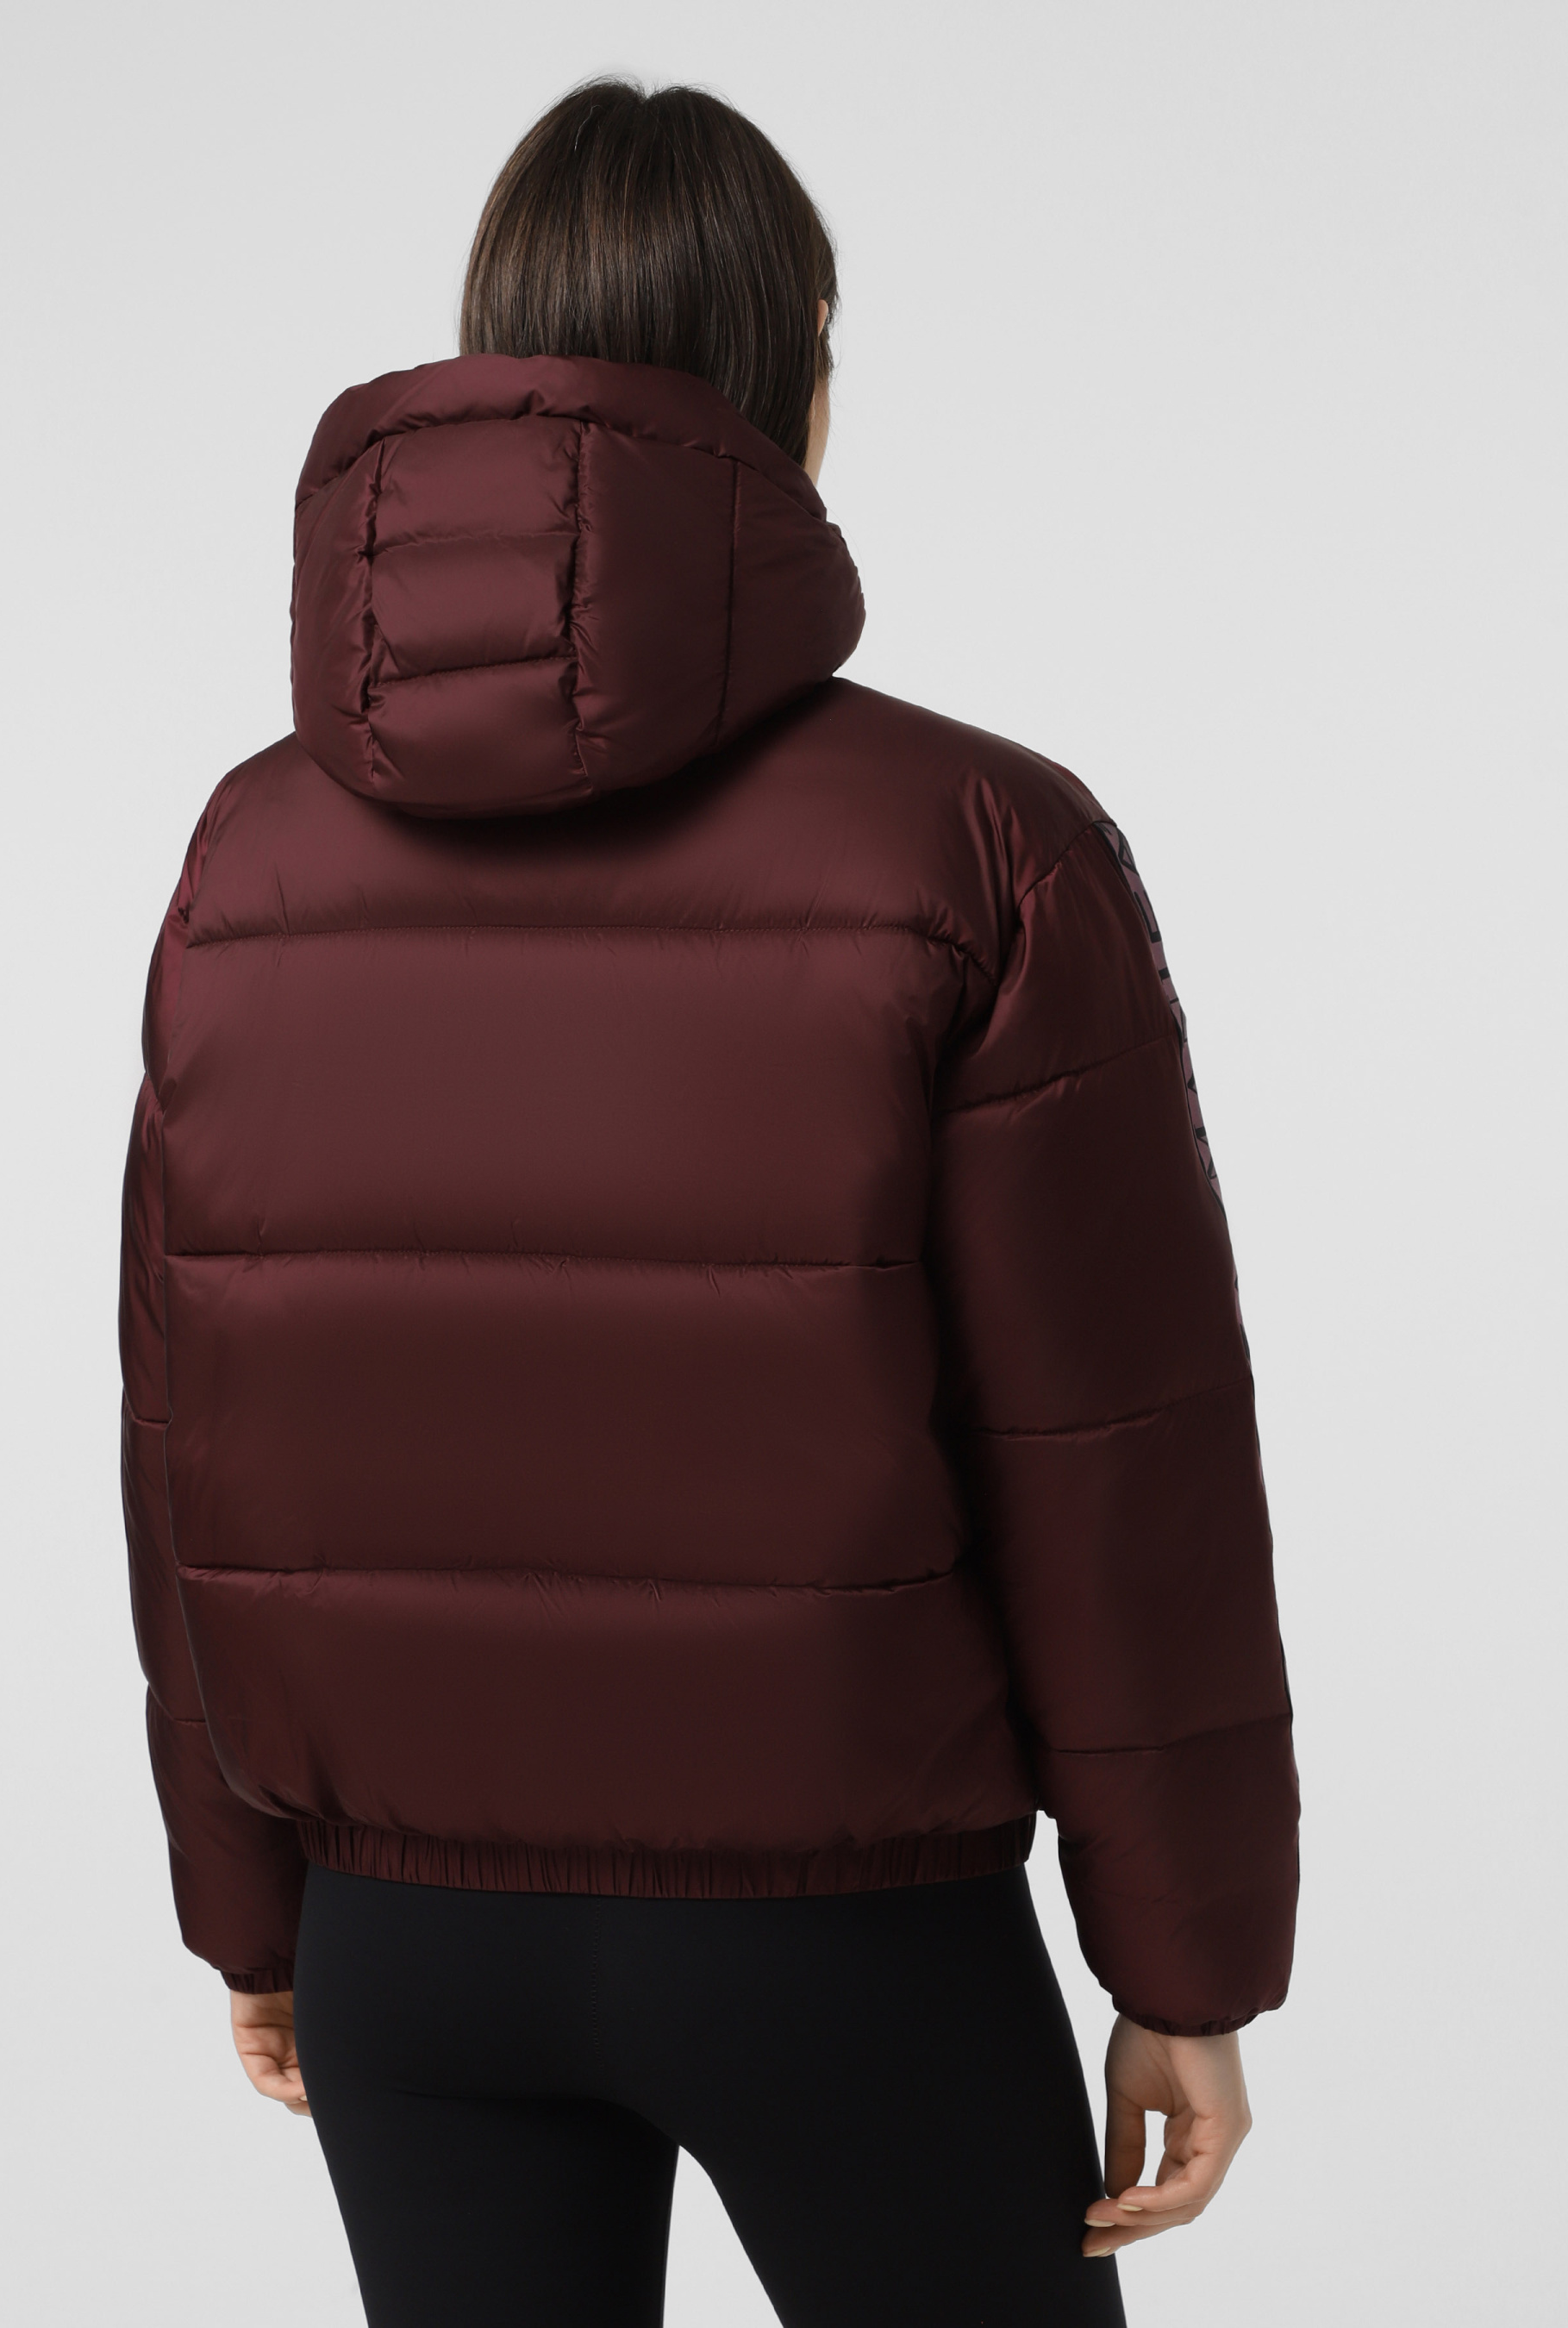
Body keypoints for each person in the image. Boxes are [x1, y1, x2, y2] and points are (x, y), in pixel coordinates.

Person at [119, 77, 1297, 2328]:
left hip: (408, 1940)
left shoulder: (250, 853)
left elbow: (194, 1423)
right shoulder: (976, 841)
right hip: (846, 1935)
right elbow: (1114, 1456)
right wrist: (1183, 1961)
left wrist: (255, 1905)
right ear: (793, 380)